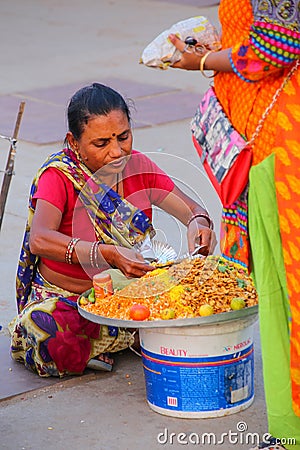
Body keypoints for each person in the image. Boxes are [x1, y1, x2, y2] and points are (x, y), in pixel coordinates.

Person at [9, 82, 216, 378]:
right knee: (50, 331)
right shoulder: (59, 175)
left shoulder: (138, 166)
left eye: (124, 137)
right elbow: (40, 239)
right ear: (74, 141)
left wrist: (200, 226)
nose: (117, 152)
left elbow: (192, 210)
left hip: (133, 295)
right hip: (72, 300)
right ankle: (138, 336)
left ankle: (121, 337)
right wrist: (106, 253)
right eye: (101, 143)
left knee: (206, 290)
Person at [166, 1, 300, 449]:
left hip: (281, 149)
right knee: (279, 292)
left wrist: (201, 61)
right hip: (265, 142)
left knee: (287, 292)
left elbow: (276, 46)